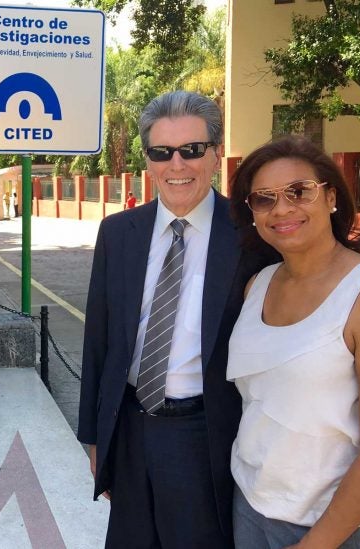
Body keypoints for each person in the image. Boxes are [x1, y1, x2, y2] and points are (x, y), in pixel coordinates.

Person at [78, 90, 267, 548]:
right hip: (129, 428)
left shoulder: (249, 236)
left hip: (204, 436)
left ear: (216, 155)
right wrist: (94, 436)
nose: (176, 165)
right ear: (149, 160)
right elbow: (98, 340)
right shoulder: (118, 232)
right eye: (162, 152)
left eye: (192, 150)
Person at [227, 136, 360, 548]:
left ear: (330, 197)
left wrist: (316, 544)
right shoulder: (258, 284)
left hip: (333, 526)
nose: (283, 208)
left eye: (299, 191)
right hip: (252, 505)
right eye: (264, 199)